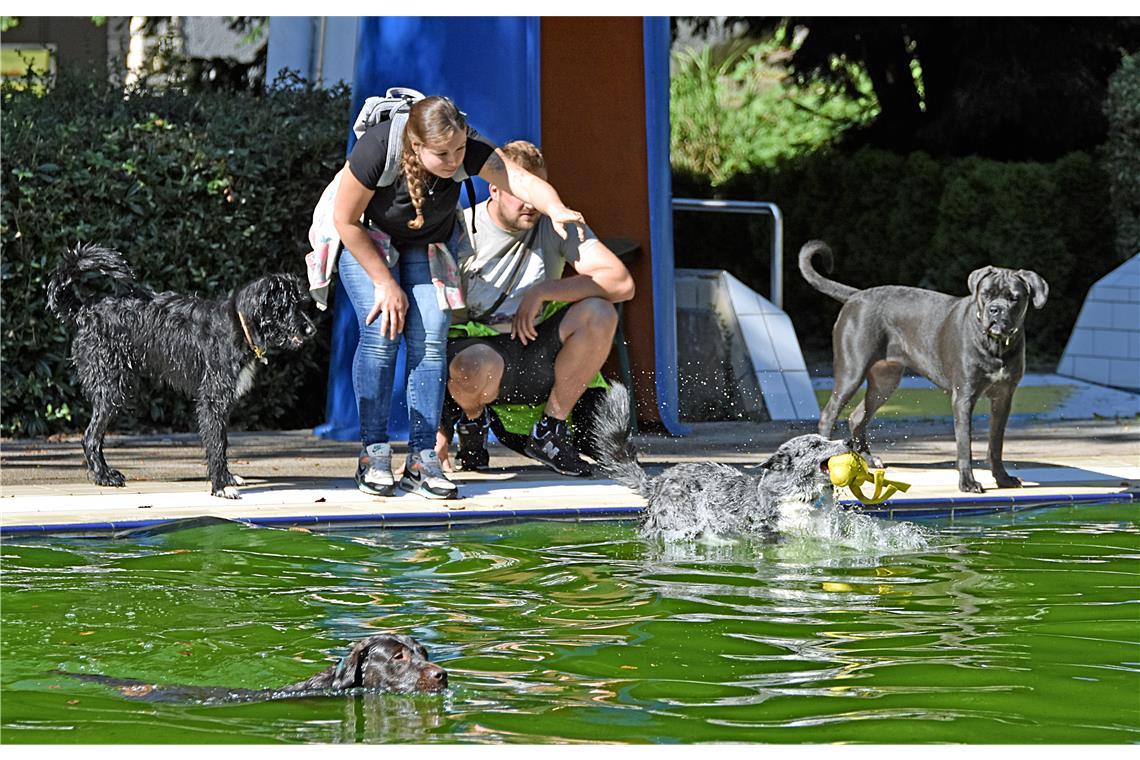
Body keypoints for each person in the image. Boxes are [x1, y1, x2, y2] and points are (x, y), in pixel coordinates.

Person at [334, 98, 588, 499]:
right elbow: (344, 221)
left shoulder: (467, 149)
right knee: (383, 331)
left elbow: (520, 180)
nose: (455, 160)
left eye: (459, 150)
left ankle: (422, 459)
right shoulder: (379, 148)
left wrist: (555, 208)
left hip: (425, 245)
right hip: (368, 240)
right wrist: (385, 283)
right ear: (416, 147)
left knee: (432, 337)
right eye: (442, 154)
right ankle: (373, 452)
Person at [437, 140, 635, 477]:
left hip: (536, 349)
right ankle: (472, 420)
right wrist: (436, 434)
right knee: (472, 363)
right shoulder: (460, 229)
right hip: (478, 351)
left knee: (600, 311)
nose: (531, 204)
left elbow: (621, 283)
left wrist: (544, 290)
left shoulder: (556, 222)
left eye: (538, 192)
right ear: (494, 190)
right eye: (520, 192)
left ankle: (550, 430)